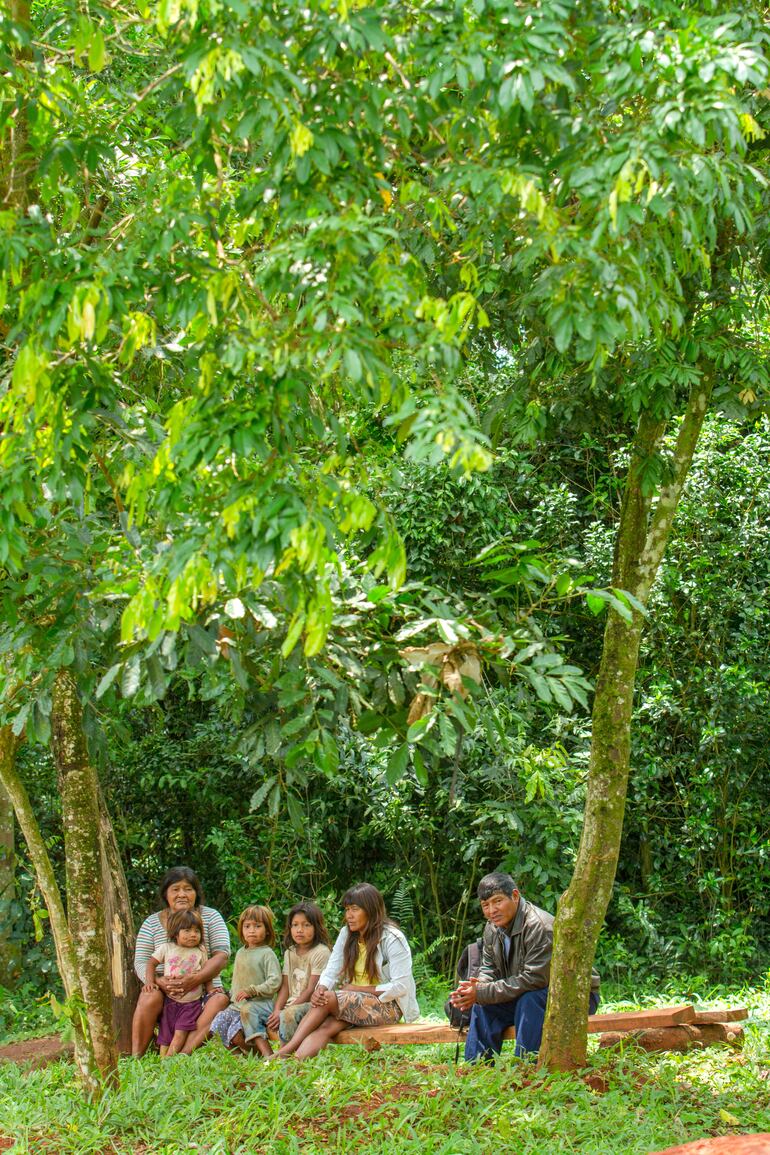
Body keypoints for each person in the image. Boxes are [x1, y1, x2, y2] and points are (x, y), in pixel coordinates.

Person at [450, 871, 600, 1062]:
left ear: (515, 896)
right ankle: (477, 1067)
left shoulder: (539, 926)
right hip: (525, 994)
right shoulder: (492, 928)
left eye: (497, 901)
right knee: (483, 1004)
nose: (492, 910)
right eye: (485, 905)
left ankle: (526, 1068)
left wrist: (482, 992)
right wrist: (476, 988)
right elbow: (489, 968)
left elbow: (535, 979)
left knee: (529, 1001)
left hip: (574, 996)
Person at [272, 882, 419, 1060]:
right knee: (326, 1026)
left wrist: (356, 989)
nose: (349, 915)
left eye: (355, 909)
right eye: (347, 909)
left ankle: (285, 1051)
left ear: (371, 910)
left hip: (388, 1006)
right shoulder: (347, 934)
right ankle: (293, 1063)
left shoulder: (392, 938)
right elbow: (332, 969)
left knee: (328, 999)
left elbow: (401, 986)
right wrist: (320, 989)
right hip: (353, 1002)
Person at [132, 866, 231, 1056]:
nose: (182, 894)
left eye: (188, 889)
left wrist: (196, 979)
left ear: (196, 893)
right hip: (165, 991)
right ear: (166, 894)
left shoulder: (211, 917)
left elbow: (222, 955)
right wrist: (159, 982)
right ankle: (136, 1056)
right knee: (148, 996)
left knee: (219, 1000)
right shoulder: (151, 923)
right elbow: (142, 961)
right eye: (175, 889)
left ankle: (182, 1054)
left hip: (202, 990)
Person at [210, 905, 282, 1057]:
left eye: (257, 926)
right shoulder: (240, 953)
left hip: (260, 1004)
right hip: (238, 1005)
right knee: (219, 1023)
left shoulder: (267, 954)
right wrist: (229, 993)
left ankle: (264, 1055)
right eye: (247, 926)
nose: (252, 930)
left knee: (236, 1034)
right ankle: (242, 1058)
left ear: (267, 930)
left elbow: (275, 981)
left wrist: (252, 990)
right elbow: (238, 981)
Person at [144, 909, 214, 1056]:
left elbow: (206, 974)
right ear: (175, 933)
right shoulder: (167, 948)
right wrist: (149, 981)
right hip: (170, 1001)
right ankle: (163, 1060)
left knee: (180, 1032)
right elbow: (151, 964)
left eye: (196, 931)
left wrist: (210, 989)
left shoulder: (200, 950)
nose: (193, 934)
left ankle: (170, 1061)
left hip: (191, 1004)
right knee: (166, 1033)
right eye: (187, 930)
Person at [267, 901, 332, 1044]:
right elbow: (285, 986)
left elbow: (311, 990)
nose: (299, 930)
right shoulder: (290, 952)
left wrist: (285, 1011)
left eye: (306, 925)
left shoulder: (321, 952)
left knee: (288, 1015)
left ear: (316, 927)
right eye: (295, 925)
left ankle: (286, 1053)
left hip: (313, 1005)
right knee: (259, 1012)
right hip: (291, 1003)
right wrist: (277, 1010)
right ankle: (262, 1052)